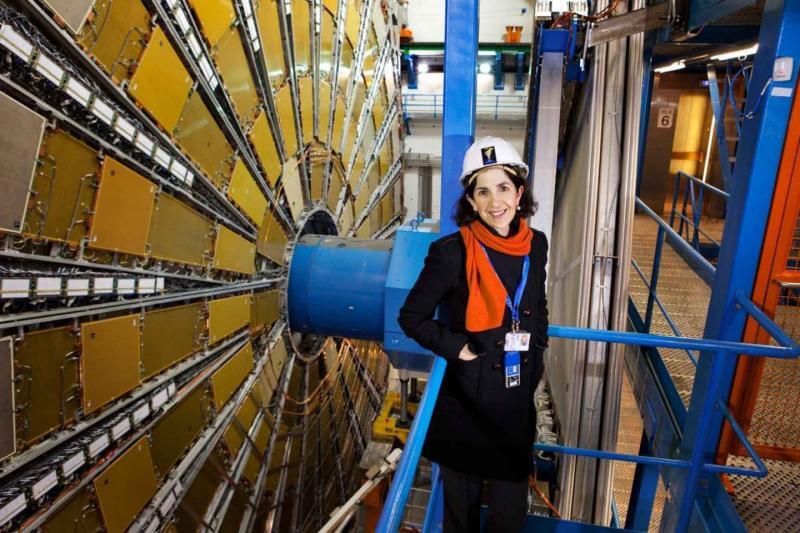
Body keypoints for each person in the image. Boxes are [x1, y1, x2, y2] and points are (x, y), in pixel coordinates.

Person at [398, 137, 549, 532]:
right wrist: (456, 348)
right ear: (470, 201)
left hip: (514, 408)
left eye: (503, 188)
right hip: (465, 406)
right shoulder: (451, 253)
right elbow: (411, 317)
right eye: (482, 191)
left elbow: (539, 302)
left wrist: (540, 350)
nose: (494, 201)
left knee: (507, 518)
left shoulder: (536, 246)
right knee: (459, 520)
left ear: (519, 193)